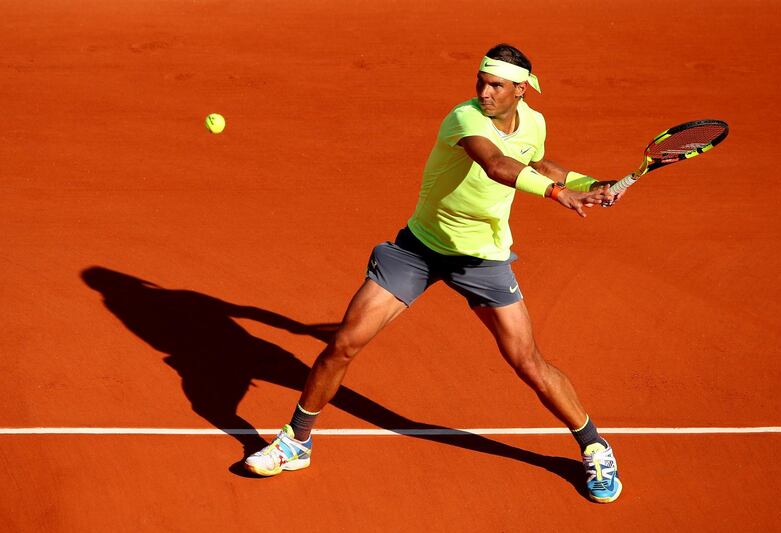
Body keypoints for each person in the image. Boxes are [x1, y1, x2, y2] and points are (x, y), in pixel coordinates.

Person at [245, 43, 623, 503]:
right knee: (344, 343)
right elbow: (497, 165)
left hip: (483, 258)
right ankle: (296, 440)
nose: (484, 92)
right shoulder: (464, 118)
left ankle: (594, 446)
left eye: (496, 85)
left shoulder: (535, 123)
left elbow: (535, 162)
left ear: (521, 90)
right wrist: (556, 195)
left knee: (528, 362)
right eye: (481, 82)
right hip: (419, 249)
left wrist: (586, 184)